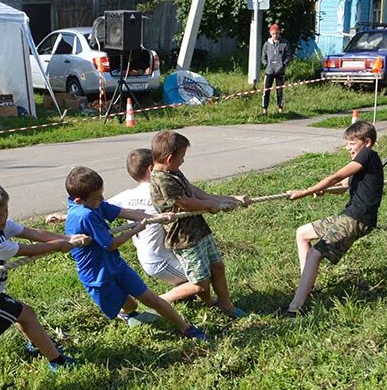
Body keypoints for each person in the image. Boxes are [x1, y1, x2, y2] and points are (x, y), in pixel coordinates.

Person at [0, 179, 83, 372]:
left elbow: (32, 233)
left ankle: (36, 345)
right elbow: (29, 250)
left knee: (23, 314)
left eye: (6, 211)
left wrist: (68, 238)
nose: (3, 218)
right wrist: (58, 245)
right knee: (26, 315)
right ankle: (57, 362)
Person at [63, 166, 210, 340]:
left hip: (115, 265)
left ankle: (186, 328)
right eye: (97, 197)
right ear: (79, 200)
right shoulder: (84, 215)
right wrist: (136, 229)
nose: (101, 199)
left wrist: (150, 217)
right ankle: (127, 314)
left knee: (151, 298)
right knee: (130, 305)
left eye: (102, 194)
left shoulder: (93, 205)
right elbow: (110, 244)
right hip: (97, 276)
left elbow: (121, 212)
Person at [46, 148, 209, 304]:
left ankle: (182, 295)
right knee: (203, 277)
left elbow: (96, 207)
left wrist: (62, 216)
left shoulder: (126, 195)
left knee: (200, 272)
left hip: (151, 258)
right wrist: (217, 203)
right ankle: (163, 301)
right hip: (159, 260)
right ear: (152, 169)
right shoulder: (165, 190)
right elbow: (195, 200)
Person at [285, 120, 384, 315]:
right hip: (349, 215)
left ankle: (295, 308)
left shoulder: (368, 155)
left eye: (352, 143)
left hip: (358, 219)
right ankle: (307, 287)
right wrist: (324, 191)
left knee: (315, 253)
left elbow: (336, 177)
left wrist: (304, 192)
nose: (348, 148)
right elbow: (341, 187)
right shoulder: (363, 161)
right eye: (346, 143)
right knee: (302, 233)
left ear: (368, 142)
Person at [149, 130, 250, 318]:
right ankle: (159, 301)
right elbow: (185, 203)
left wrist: (229, 199)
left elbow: (193, 191)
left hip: (199, 230)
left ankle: (225, 306)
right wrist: (211, 205)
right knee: (199, 283)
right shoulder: (161, 179)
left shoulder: (173, 171)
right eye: (182, 157)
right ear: (170, 158)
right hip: (184, 238)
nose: (183, 161)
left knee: (217, 267)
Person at [260, 22, 293, 116]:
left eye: (277, 33)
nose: (275, 35)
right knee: (266, 91)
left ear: (279, 32)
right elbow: (263, 56)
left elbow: (289, 55)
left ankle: (280, 108)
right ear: (270, 33)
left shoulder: (284, 43)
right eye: (273, 33)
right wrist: (266, 64)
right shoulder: (267, 44)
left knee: (280, 91)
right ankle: (264, 109)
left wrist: (284, 64)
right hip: (269, 71)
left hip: (280, 71)